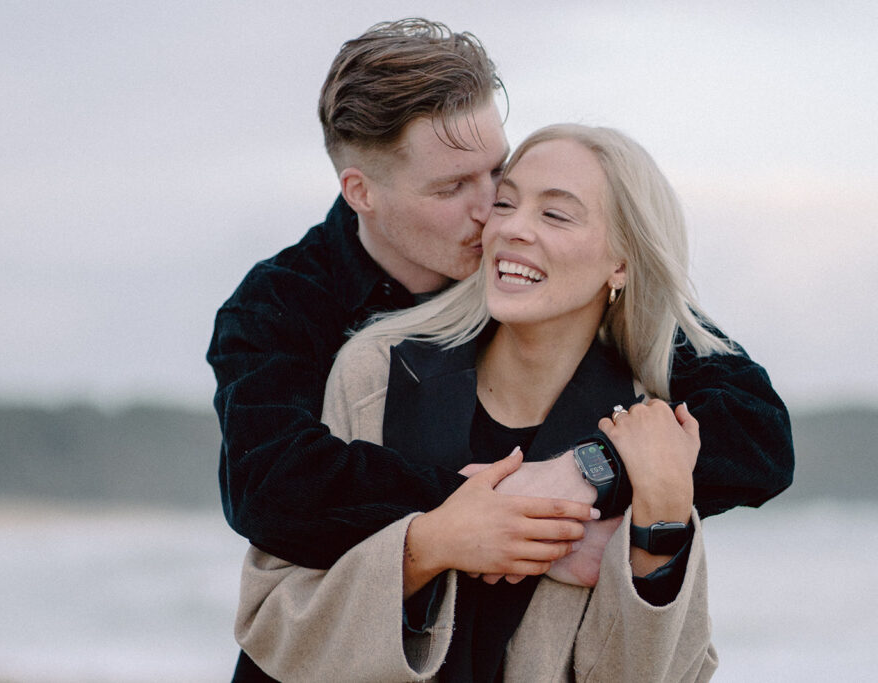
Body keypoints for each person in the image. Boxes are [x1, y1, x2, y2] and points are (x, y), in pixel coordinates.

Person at [207, 18, 793, 679]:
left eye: (497, 172)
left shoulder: (558, 291)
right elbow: (274, 487)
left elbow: (756, 428)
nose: (496, 214)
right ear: (361, 193)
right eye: (454, 188)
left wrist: (592, 472)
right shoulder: (285, 308)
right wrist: (492, 521)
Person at [236, 124, 722, 681]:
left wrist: (660, 523)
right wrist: (428, 548)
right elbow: (273, 620)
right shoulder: (375, 370)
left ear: (622, 263)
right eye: (506, 203)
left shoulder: (650, 428)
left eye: (556, 215)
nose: (513, 228)